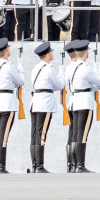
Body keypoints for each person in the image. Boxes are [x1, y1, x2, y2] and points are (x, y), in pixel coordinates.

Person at [0, 38, 25, 174]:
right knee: (3, 136)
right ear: (6, 51)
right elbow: (21, 81)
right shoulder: (9, 66)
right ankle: (1, 167)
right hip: (7, 102)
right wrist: (20, 66)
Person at [29, 42, 65, 173]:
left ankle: (34, 165)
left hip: (35, 102)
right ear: (48, 54)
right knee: (41, 135)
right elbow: (59, 84)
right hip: (45, 103)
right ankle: (39, 166)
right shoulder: (49, 69)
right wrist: (61, 73)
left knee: (34, 135)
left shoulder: (35, 68)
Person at [69, 39, 100, 172]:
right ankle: (80, 165)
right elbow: (99, 82)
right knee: (82, 135)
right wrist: (99, 70)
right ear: (85, 53)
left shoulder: (72, 67)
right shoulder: (86, 68)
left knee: (76, 134)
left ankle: (74, 164)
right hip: (85, 102)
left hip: (76, 100)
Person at [63, 41, 78, 173]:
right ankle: (77, 163)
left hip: (71, 101)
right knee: (78, 134)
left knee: (71, 133)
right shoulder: (81, 66)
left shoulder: (67, 68)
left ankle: (70, 164)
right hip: (80, 101)